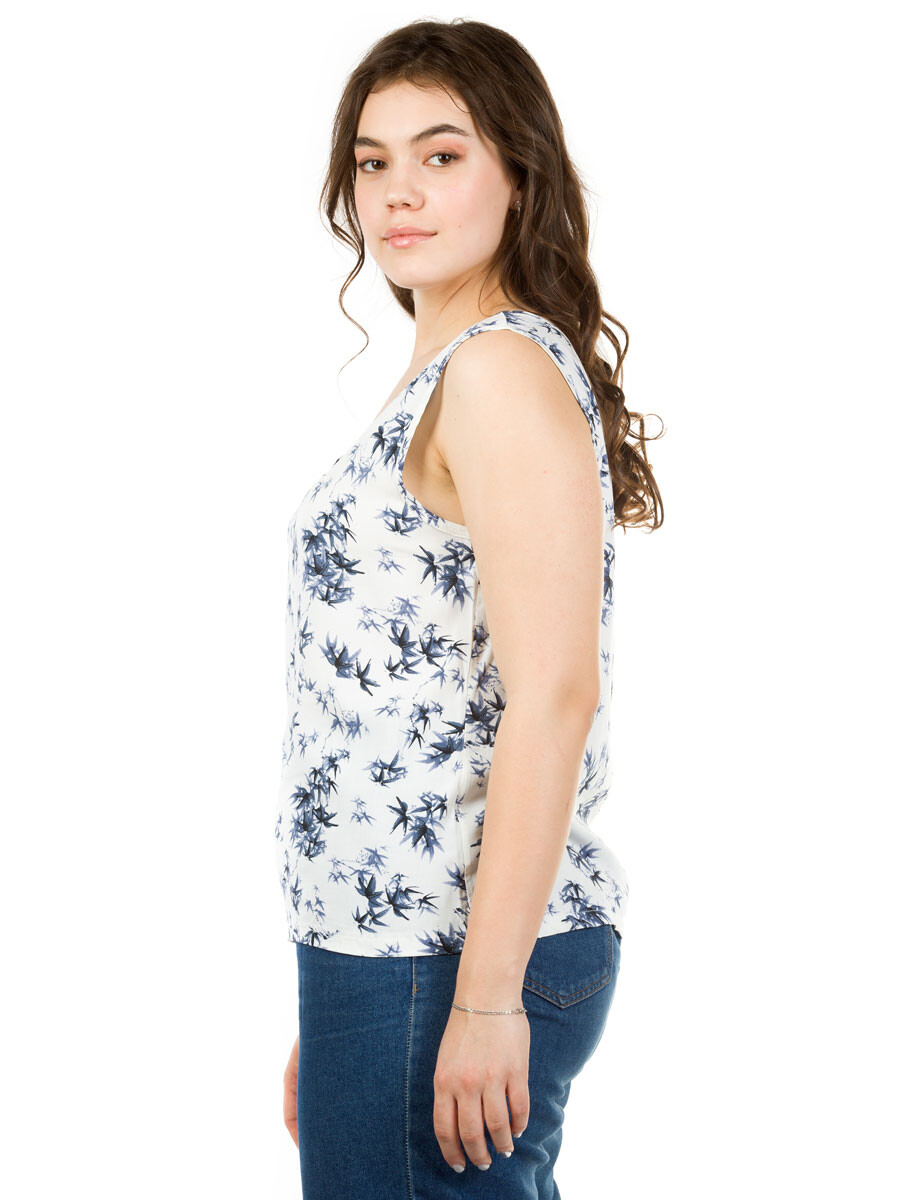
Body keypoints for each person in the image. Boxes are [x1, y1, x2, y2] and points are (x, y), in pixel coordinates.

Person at [273, 17, 663, 1198]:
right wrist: (341, 996)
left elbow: (554, 695)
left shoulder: (495, 370)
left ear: (519, 172)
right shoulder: (454, 369)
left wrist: (481, 999)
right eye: (373, 161)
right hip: (391, 955)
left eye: (441, 155)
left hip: (445, 958)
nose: (398, 191)